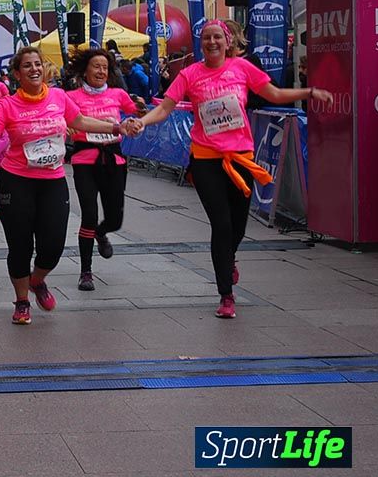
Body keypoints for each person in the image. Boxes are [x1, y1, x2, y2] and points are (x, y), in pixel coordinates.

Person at [129, 20, 334, 319]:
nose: (211, 42)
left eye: (217, 37)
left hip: (240, 158)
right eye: (206, 38)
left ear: (227, 42)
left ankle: (229, 257)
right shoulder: (189, 74)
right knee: (221, 225)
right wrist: (142, 122)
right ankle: (226, 293)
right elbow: (165, 108)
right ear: (201, 43)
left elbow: (274, 94)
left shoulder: (242, 68)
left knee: (238, 226)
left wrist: (310, 92)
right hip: (205, 159)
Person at [0, 46, 132, 325]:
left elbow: (79, 121)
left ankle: (37, 280)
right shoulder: (7, 105)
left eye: (38, 64)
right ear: (16, 73)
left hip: (52, 181)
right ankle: (22, 301)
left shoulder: (58, 97)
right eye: (27, 66)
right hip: (16, 181)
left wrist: (116, 128)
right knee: (20, 246)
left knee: (53, 246)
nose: (34, 69)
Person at [65, 48, 141, 291]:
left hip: (113, 160)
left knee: (115, 219)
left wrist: (140, 110)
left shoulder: (118, 94)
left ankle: (102, 231)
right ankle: (85, 272)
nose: (101, 71)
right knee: (88, 214)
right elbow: (62, 118)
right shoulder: (71, 97)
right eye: (96, 66)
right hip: (85, 160)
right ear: (85, 70)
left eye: (105, 68)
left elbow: (135, 113)